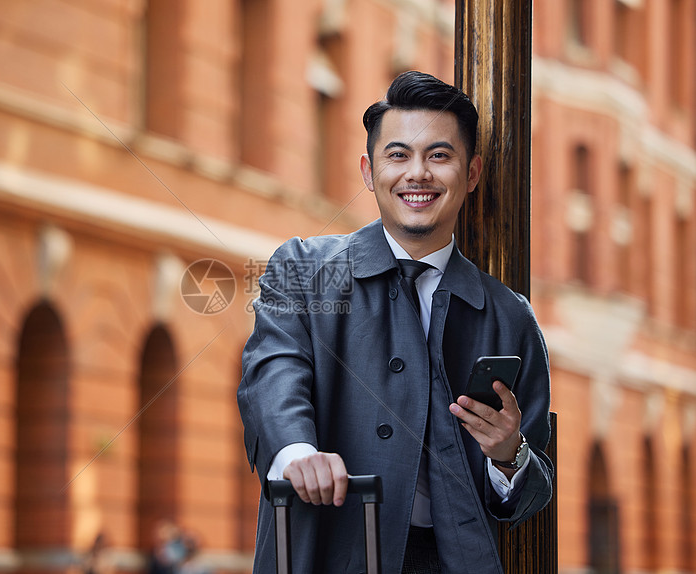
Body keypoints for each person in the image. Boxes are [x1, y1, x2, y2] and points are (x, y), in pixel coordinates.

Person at [237, 71, 554, 574]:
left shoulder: (510, 316)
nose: (418, 174)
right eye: (398, 155)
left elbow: (536, 489)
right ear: (369, 170)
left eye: (440, 156)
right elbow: (273, 373)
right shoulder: (302, 269)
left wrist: (508, 455)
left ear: (470, 174)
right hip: (326, 551)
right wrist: (298, 452)